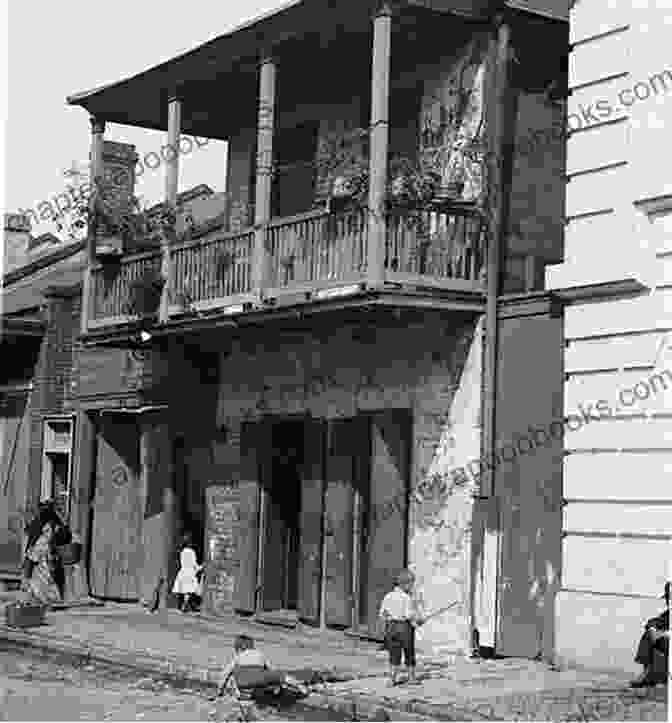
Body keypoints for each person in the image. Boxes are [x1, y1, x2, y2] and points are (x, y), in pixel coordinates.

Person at [216, 635, 309, 700]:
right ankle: (300, 686)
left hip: (242, 682)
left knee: (234, 675)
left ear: (239, 649)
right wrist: (278, 682)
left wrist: (220, 691)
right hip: (259, 677)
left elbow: (224, 674)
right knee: (279, 676)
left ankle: (241, 693)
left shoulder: (237, 657)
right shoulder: (259, 654)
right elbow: (272, 669)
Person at [379, 569, 424, 686]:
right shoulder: (406, 598)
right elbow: (408, 615)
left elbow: (383, 613)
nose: (412, 587)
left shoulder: (388, 596)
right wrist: (418, 621)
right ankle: (411, 678)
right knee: (409, 652)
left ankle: (391, 679)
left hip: (391, 627)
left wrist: (385, 629)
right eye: (411, 584)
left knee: (394, 654)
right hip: (404, 628)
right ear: (405, 584)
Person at [631, 581, 670, 687]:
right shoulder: (668, 614)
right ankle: (647, 671)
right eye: (667, 598)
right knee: (649, 634)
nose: (668, 601)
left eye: (669, 598)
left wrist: (665, 634)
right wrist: (652, 629)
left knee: (661, 637)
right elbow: (655, 621)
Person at [22, 521, 61, 605]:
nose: (49, 533)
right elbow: (31, 559)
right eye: (47, 531)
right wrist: (26, 577)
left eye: (49, 531)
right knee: (39, 589)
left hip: (45, 571)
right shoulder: (42, 542)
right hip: (39, 571)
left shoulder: (50, 542)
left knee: (46, 588)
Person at [172, 532, 203, 613]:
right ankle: (186, 604)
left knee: (184, 589)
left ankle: (185, 604)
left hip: (183, 571)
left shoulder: (182, 552)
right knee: (188, 591)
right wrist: (202, 567)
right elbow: (194, 565)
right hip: (190, 572)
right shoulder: (192, 552)